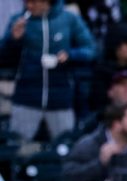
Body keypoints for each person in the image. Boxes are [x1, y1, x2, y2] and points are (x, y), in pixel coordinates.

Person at [0, 0, 95, 141]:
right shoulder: (19, 20)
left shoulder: (69, 19)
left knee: (65, 147)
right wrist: (13, 39)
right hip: (26, 97)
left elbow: (91, 50)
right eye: (26, 2)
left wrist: (70, 55)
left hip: (60, 97)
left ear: (47, 2)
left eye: (34, 2)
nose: (29, 6)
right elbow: (3, 57)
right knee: (18, 147)